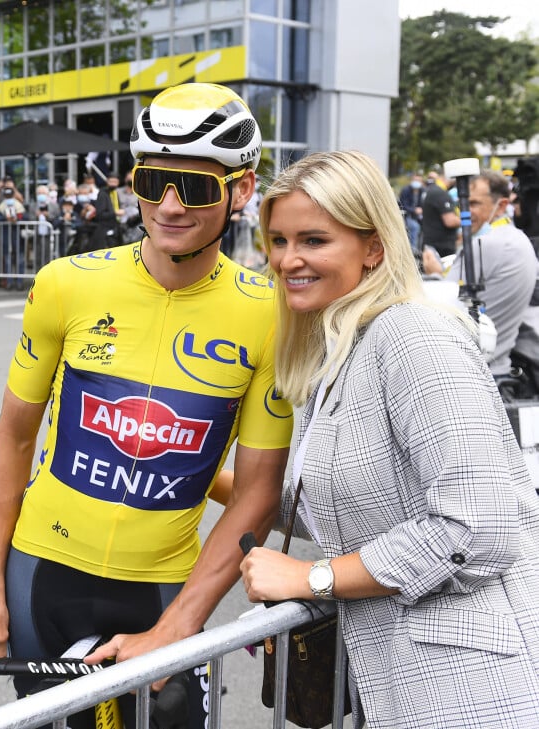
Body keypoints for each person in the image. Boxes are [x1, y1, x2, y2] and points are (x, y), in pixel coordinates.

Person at [0, 82, 293, 729]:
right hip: (41, 579)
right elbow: (13, 438)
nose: (167, 205)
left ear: (242, 191)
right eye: (151, 181)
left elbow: (257, 489)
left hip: (162, 584)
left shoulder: (270, 315)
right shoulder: (66, 284)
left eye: (193, 188)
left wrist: (180, 622)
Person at [239, 150, 539, 729]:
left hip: (477, 690)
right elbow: (360, 511)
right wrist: (203, 479)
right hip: (401, 685)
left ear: (373, 246)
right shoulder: (343, 347)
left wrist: (313, 577)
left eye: (313, 240)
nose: (287, 260)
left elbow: (478, 526)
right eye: (277, 240)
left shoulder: (412, 336)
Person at [425, 170, 538, 378]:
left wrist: (434, 274)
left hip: (473, 370)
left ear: (502, 205)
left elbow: (437, 306)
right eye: (463, 204)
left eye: (474, 204)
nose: (466, 212)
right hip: (499, 365)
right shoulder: (518, 239)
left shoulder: (485, 245)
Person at [421, 168, 461, 257]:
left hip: (432, 243)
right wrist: (469, 220)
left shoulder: (432, 190)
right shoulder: (440, 193)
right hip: (441, 247)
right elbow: (450, 221)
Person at [88, 170, 123, 249]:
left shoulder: (115, 193)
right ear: (107, 181)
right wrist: (115, 213)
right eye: (111, 181)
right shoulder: (102, 193)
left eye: (115, 181)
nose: (113, 183)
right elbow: (100, 214)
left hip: (115, 226)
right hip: (104, 229)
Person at [398, 172, 424, 250]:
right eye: (415, 180)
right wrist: (414, 210)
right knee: (415, 227)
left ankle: (422, 249)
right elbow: (403, 205)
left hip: (419, 216)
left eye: (419, 180)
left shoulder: (422, 191)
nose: (417, 182)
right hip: (407, 215)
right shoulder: (406, 190)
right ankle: (413, 249)